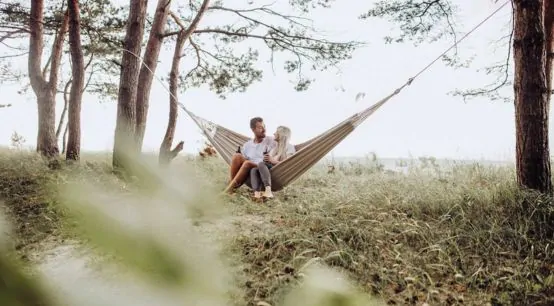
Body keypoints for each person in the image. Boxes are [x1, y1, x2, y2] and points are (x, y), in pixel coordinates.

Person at [224, 117, 277, 193]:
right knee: (237, 156)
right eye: (260, 127)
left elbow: (285, 144)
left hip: (264, 168)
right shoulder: (247, 145)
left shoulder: (271, 140)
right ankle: (232, 186)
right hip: (250, 171)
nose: (264, 130)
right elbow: (240, 165)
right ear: (253, 129)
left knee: (247, 163)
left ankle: (230, 189)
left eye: (264, 126)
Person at [250, 126, 295, 199]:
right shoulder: (274, 148)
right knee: (254, 170)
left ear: (281, 135)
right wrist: (266, 160)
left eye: (276, 132)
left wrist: (273, 161)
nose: (274, 134)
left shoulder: (290, 147)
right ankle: (257, 195)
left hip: (280, 172)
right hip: (269, 172)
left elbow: (288, 164)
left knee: (261, 164)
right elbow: (269, 162)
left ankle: (268, 191)